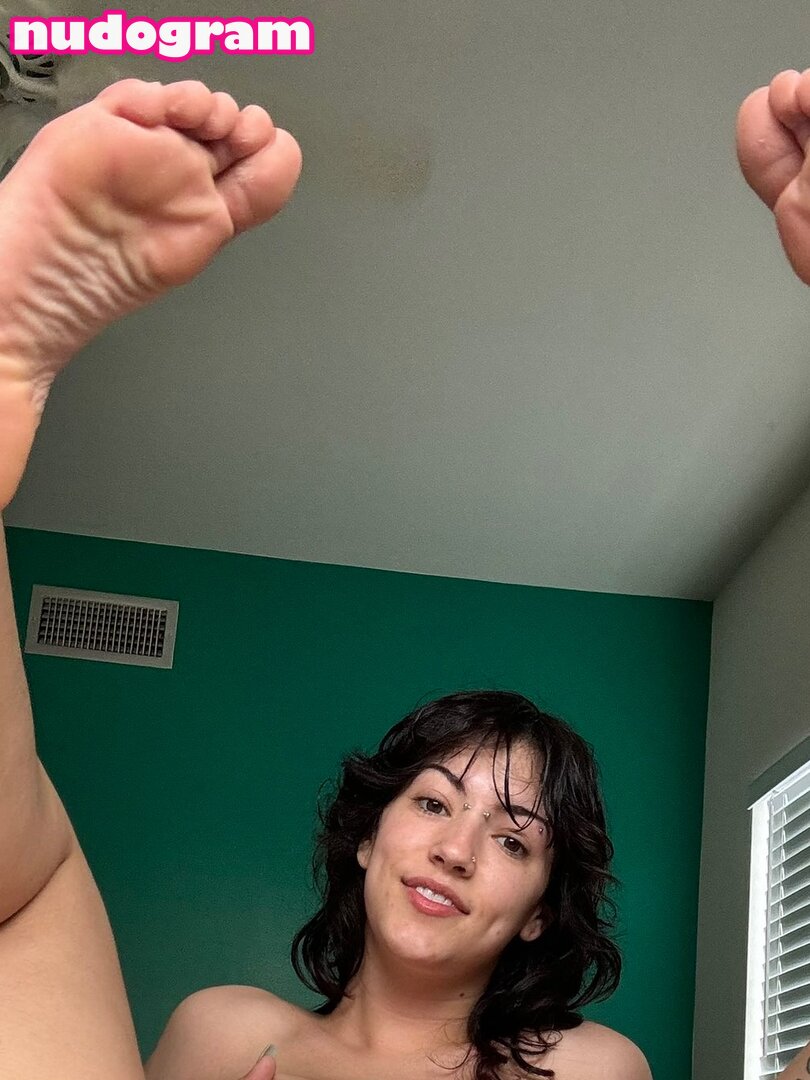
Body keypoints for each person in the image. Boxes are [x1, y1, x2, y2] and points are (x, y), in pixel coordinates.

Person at [0, 64, 805, 1080]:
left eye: (513, 841)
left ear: (538, 914)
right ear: (367, 838)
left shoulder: (580, 1068)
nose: (456, 849)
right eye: (431, 803)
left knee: (22, 897)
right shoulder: (227, 1035)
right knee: (14, 892)